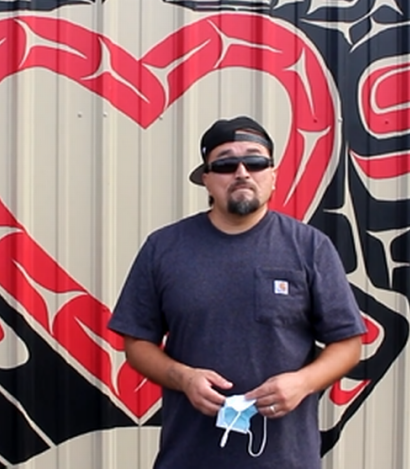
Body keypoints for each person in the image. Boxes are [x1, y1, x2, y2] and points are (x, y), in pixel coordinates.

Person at [108, 116, 366, 468]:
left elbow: (348, 345)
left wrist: (302, 383)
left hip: (286, 460)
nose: (242, 172)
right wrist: (184, 379)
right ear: (207, 179)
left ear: (272, 175)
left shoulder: (309, 247)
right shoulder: (164, 248)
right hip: (189, 458)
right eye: (226, 163)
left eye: (256, 161)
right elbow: (137, 345)